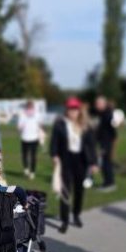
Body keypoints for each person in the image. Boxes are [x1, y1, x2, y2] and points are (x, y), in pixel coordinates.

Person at [51, 97, 97, 234]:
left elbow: (91, 145)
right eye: (70, 109)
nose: (73, 111)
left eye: (75, 109)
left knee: (79, 190)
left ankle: (76, 214)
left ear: (79, 110)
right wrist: (54, 155)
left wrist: (93, 162)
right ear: (67, 109)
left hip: (81, 161)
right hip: (66, 159)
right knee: (65, 191)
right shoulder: (60, 124)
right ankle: (65, 221)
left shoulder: (85, 125)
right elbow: (54, 142)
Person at [91, 96, 117, 192]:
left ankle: (109, 183)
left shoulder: (108, 114)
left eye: (98, 103)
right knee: (104, 162)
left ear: (104, 104)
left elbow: (113, 128)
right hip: (102, 141)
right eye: (96, 103)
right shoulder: (101, 114)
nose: (96, 105)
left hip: (106, 142)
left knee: (106, 163)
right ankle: (107, 182)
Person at [17, 100, 42, 179]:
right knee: (24, 155)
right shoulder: (22, 114)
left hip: (34, 138)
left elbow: (39, 125)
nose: (30, 107)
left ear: (33, 107)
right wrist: (21, 127)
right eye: (29, 106)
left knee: (33, 156)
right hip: (25, 138)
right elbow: (19, 126)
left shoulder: (37, 114)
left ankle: (32, 172)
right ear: (27, 106)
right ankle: (26, 169)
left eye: (31, 106)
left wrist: (41, 135)